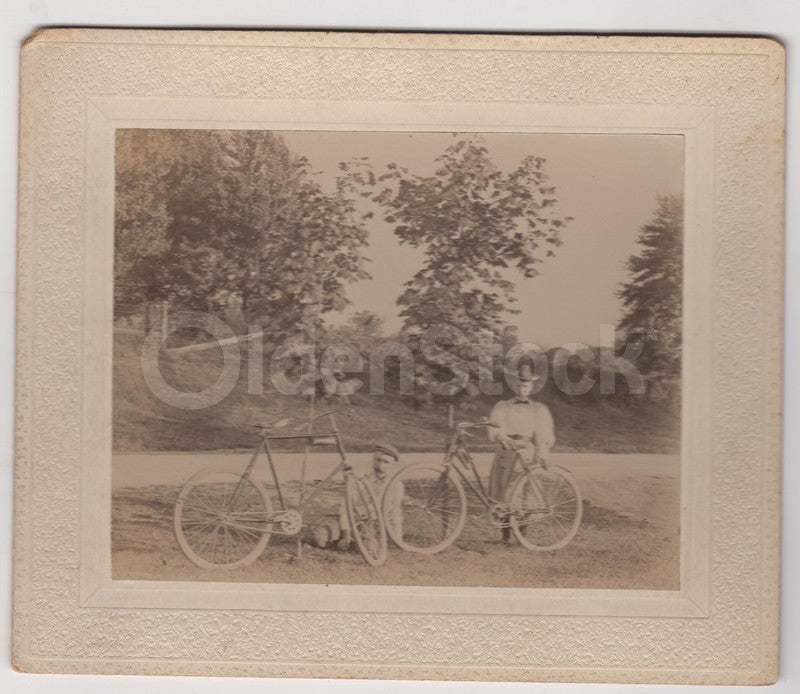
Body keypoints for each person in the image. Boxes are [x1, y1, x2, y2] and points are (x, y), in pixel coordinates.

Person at [487, 363, 555, 542]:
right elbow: (495, 428)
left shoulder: (538, 409)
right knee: (503, 494)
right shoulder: (503, 406)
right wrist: (503, 439)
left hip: (526, 453)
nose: (522, 388)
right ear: (514, 385)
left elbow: (543, 435)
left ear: (531, 386)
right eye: (519, 384)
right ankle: (505, 537)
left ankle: (522, 536)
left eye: (526, 384)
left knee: (526, 495)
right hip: (506, 452)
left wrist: (543, 453)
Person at [309, 442, 403, 550]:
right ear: (373, 460)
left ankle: (350, 543)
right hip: (349, 521)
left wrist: (398, 540)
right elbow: (346, 508)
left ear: (393, 465)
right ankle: (343, 540)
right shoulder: (362, 481)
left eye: (386, 462)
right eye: (377, 460)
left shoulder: (396, 486)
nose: (380, 466)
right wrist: (346, 533)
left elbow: (395, 514)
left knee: (368, 546)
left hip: (371, 525)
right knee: (318, 537)